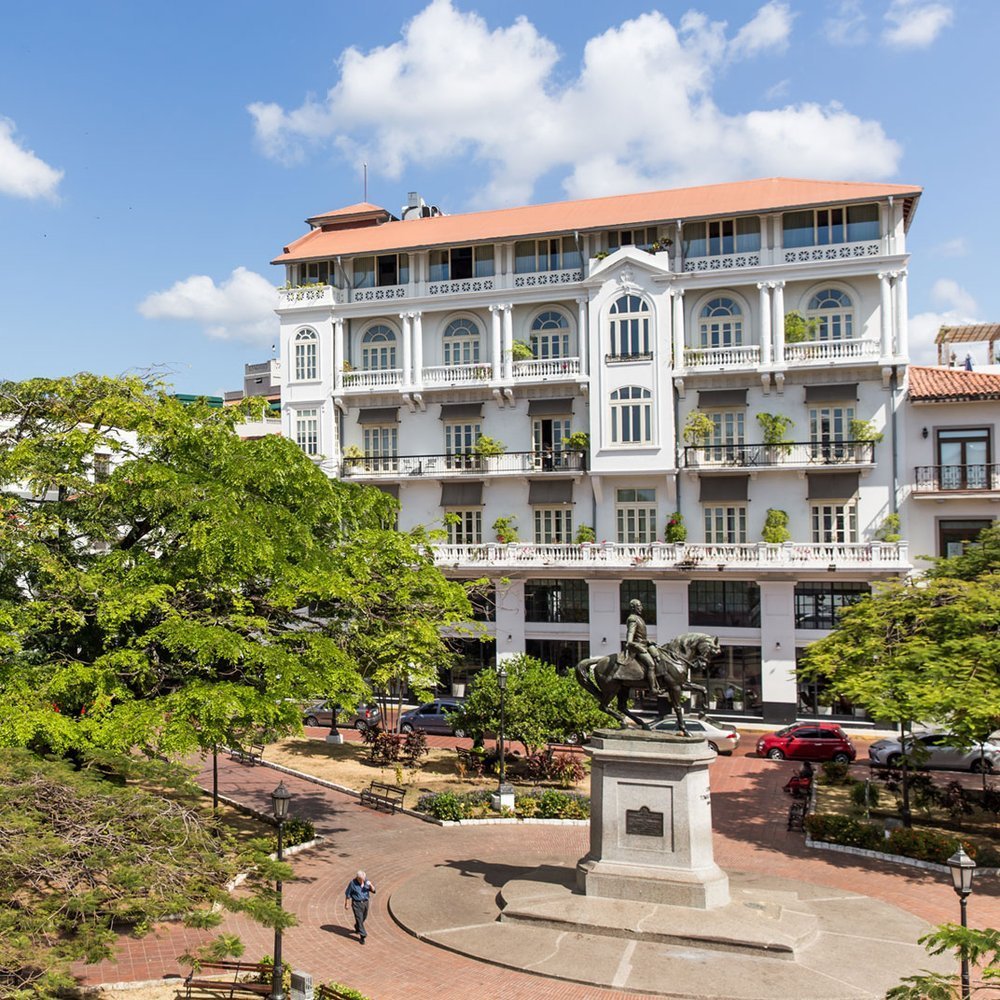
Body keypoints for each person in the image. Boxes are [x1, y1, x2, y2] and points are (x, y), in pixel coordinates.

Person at [623, 599, 663, 695]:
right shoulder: (632, 619)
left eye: (641, 606)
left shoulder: (639, 618)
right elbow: (630, 636)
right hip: (638, 648)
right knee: (651, 665)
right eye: (639, 606)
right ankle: (653, 688)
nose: (641, 608)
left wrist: (648, 641)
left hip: (644, 645)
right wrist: (634, 644)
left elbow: (640, 637)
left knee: (658, 656)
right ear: (633, 607)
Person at [345, 870, 375, 944]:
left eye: (364, 878)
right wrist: (346, 904)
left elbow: (374, 891)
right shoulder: (352, 883)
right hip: (357, 903)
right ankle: (363, 936)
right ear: (358, 878)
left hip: (365, 902)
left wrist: (371, 884)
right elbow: (348, 894)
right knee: (359, 918)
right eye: (362, 879)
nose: (363, 880)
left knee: (364, 917)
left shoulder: (366, 881)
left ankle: (357, 926)